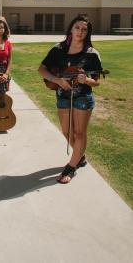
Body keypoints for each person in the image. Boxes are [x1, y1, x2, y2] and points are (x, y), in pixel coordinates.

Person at [38, 15, 102, 184]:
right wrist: (57, 80)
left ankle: (71, 167)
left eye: (84, 29)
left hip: (83, 98)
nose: (80, 31)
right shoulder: (58, 49)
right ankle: (80, 156)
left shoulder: (91, 54)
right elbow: (42, 69)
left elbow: (96, 81)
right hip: (62, 97)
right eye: (77, 27)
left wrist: (86, 80)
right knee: (67, 132)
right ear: (71, 29)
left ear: (87, 33)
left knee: (80, 133)